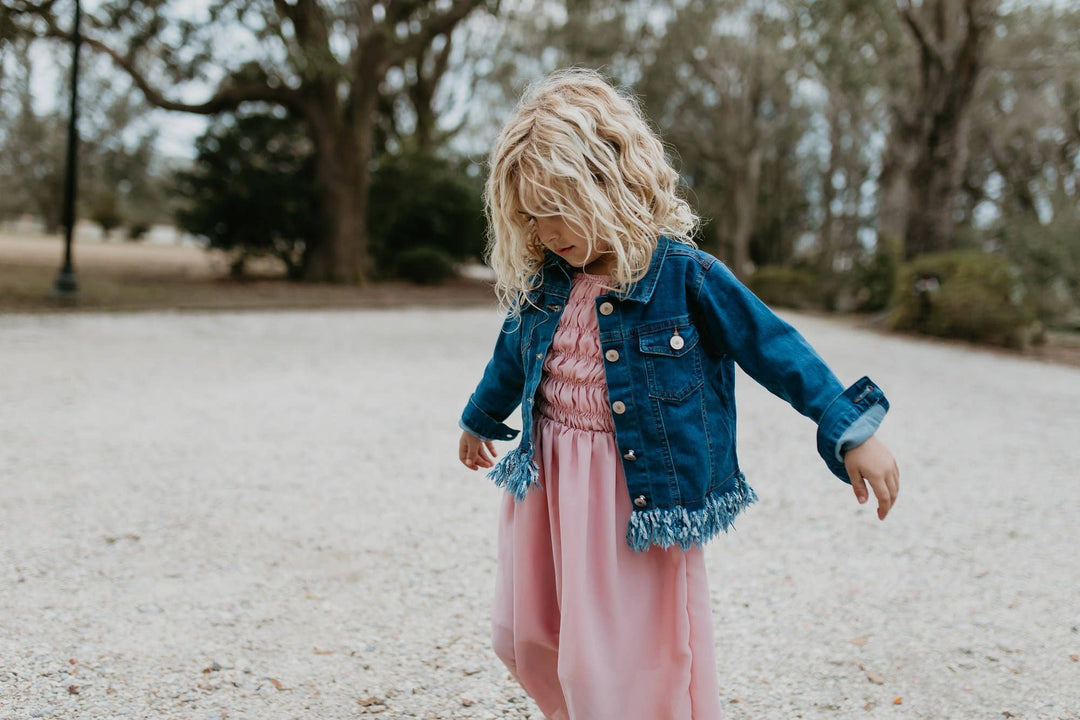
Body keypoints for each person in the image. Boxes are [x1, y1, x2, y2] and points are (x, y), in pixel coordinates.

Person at [456, 68, 899, 720]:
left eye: (560, 209)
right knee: (526, 638)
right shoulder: (548, 283)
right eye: (532, 216)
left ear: (612, 184)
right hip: (549, 483)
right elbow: (511, 356)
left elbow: (775, 349)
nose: (548, 232)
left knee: (620, 661)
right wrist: (480, 418)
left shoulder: (683, 276)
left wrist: (849, 428)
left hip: (633, 494)